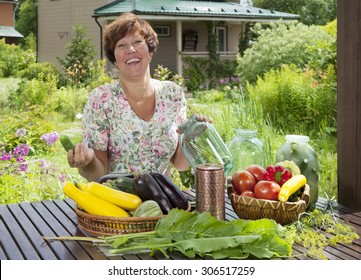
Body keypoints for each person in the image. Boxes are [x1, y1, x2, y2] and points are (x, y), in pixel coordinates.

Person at [67, 12, 209, 182]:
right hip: (118, 202)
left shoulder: (173, 94)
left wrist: (194, 136)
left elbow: (180, 163)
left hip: (163, 201)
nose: (130, 49)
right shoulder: (102, 99)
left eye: (137, 42)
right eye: (121, 45)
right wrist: (87, 162)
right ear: (115, 58)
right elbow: (99, 173)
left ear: (150, 51)